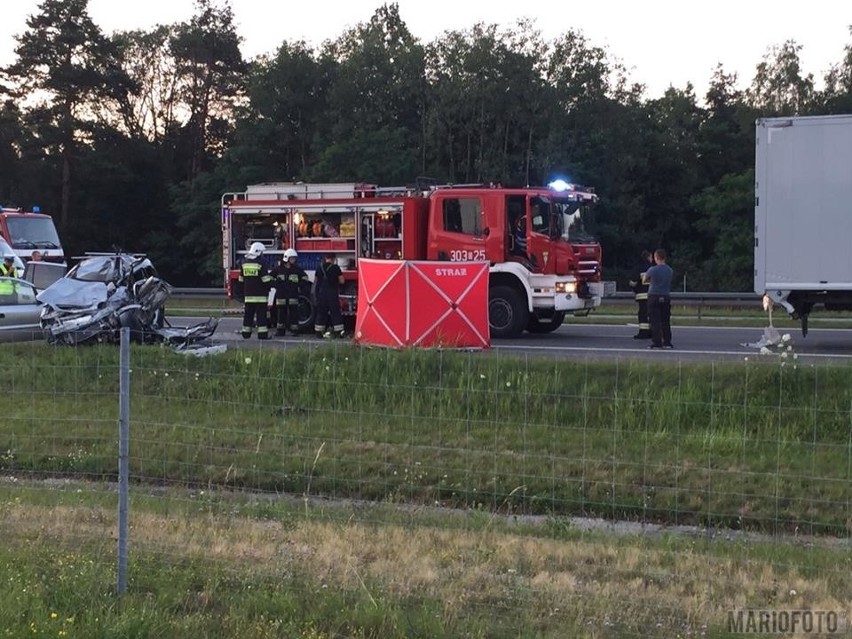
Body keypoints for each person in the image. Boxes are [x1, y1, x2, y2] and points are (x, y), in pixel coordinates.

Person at [270, 248, 310, 336]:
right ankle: (280, 331)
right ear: (286, 258)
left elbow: (305, 278)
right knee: (281, 314)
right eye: (292, 258)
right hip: (281, 295)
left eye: (294, 258)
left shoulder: (297, 269)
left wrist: (300, 285)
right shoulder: (278, 269)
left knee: (294, 314)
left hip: (293, 295)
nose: (294, 260)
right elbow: (269, 278)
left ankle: (295, 331)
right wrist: (276, 284)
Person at [239, 242, 273, 340]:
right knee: (261, 316)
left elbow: (241, 280)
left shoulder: (244, 263)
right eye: (262, 252)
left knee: (248, 315)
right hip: (260, 296)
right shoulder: (261, 263)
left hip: (248, 296)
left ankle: (246, 334)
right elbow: (265, 280)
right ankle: (262, 335)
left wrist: (243, 292)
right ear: (258, 252)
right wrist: (272, 284)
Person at [645, 248, 674, 349]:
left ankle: (657, 342)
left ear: (656, 258)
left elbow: (645, 280)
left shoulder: (652, 270)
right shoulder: (670, 270)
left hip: (654, 296)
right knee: (665, 320)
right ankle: (667, 342)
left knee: (655, 321)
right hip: (666, 296)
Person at [313, 252, 345, 339]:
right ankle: (338, 332)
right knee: (335, 312)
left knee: (321, 312)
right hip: (332, 293)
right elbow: (342, 281)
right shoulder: (335, 268)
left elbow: (315, 281)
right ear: (334, 259)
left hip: (321, 293)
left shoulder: (319, 268)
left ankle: (319, 332)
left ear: (325, 258)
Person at [629, 250, 653, 339]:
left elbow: (632, 282)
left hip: (642, 296)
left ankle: (643, 333)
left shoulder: (638, 268)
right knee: (652, 314)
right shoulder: (653, 268)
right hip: (653, 295)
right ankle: (652, 332)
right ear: (648, 257)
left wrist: (635, 290)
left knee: (643, 315)